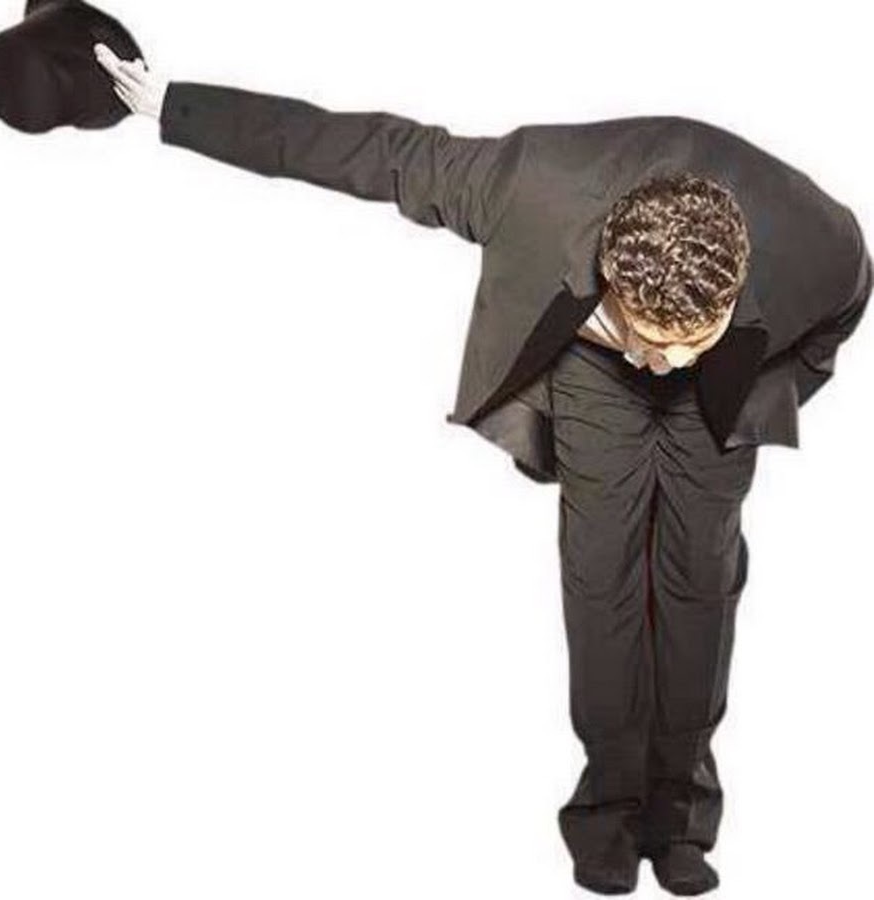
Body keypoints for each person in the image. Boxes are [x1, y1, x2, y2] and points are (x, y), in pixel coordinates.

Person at [93, 43, 871, 896]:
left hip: (726, 392)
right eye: (647, 338)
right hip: (593, 380)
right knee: (602, 586)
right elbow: (371, 150)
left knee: (699, 585)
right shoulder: (530, 185)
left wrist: (762, 394)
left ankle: (681, 816)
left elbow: (838, 316)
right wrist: (174, 103)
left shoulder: (821, 244)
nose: (661, 363)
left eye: (683, 342)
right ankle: (608, 810)